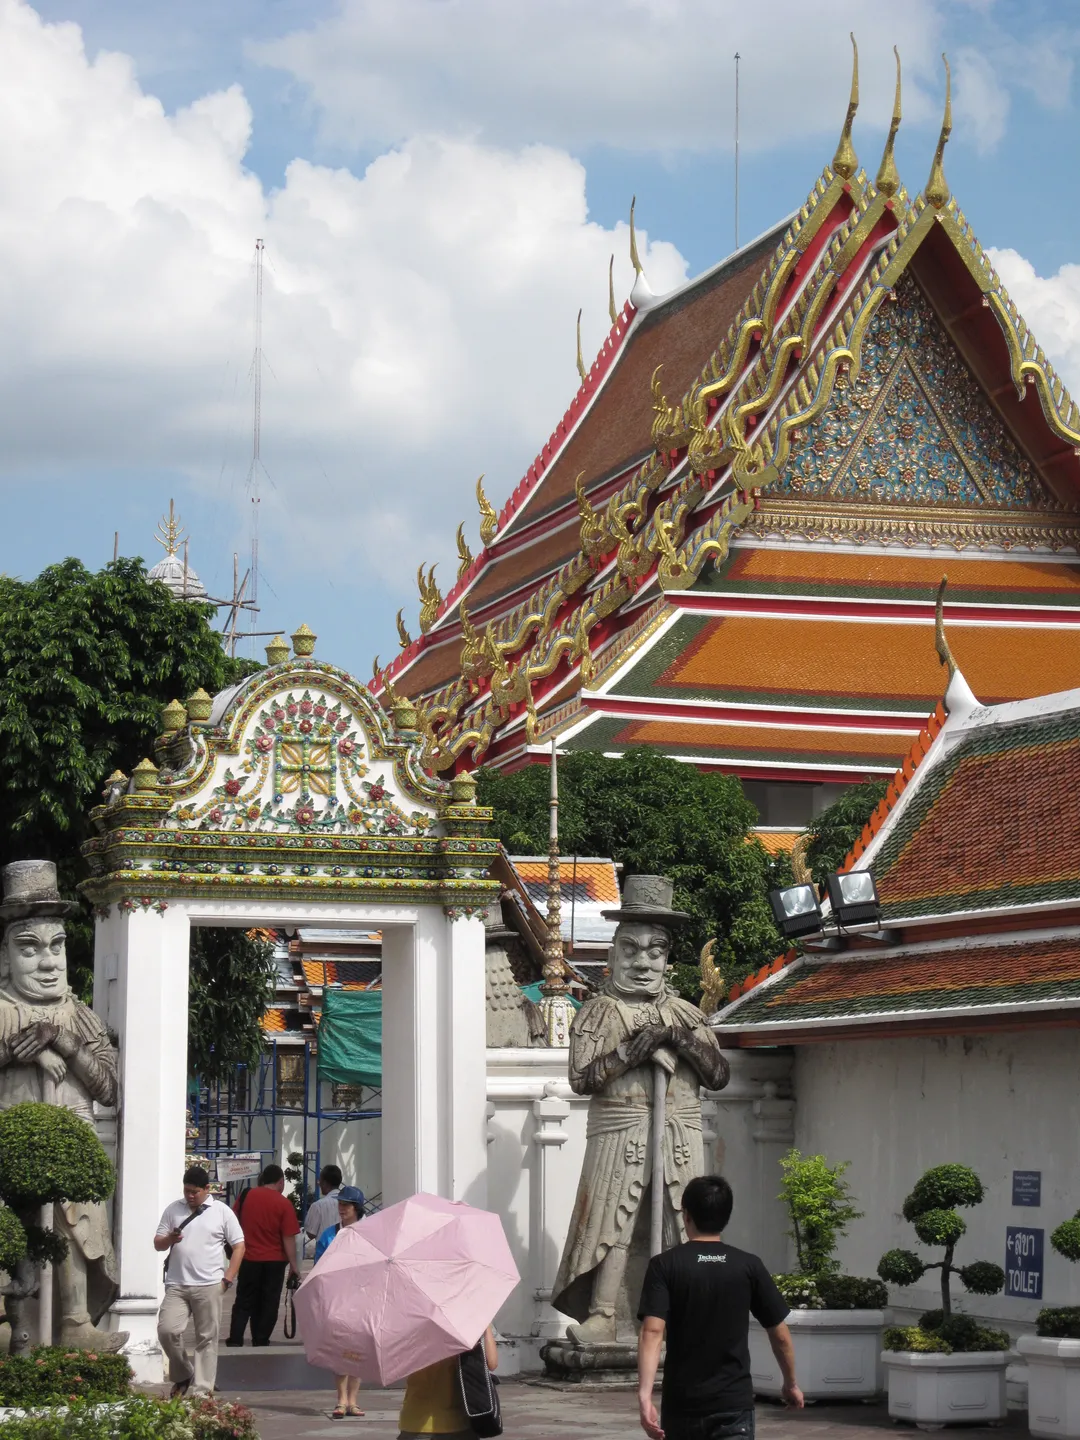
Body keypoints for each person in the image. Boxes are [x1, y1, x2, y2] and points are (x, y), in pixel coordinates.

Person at [637, 1174, 803, 1440]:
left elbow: (652, 1332)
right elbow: (779, 1333)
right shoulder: (748, 1265)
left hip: (682, 1405)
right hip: (733, 1405)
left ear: (686, 1215)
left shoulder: (664, 1265)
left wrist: (645, 1396)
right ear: (726, 1216)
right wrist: (790, 1383)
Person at [155, 1165, 245, 1397]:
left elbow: (239, 1246)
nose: (190, 1196)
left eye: (194, 1191)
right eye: (186, 1191)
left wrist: (228, 1278)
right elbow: (158, 1244)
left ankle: (202, 1390)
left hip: (210, 1284)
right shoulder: (173, 1209)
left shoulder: (222, 1211)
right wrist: (169, 1239)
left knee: (206, 1339)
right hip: (177, 1284)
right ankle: (184, 1373)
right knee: (167, 1330)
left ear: (207, 1189)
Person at [226, 1163, 301, 1347]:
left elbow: (232, 1223)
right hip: (275, 1261)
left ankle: (236, 1338)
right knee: (269, 1302)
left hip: (248, 1258)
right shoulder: (284, 1204)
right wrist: (294, 1265)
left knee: (244, 1299)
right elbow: (288, 1238)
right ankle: (260, 1338)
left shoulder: (245, 1196)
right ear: (281, 1182)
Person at [312, 1186, 366, 1419]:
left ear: (357, 1208)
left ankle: (353, 1401)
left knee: (358, 1351)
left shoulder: (368, 1233)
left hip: (362, 1299)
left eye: (346, 1205)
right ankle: (341, 1399)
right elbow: (319, 1268)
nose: (341, 1209)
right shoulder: (329, 1235)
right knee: (340, 1350)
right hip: (336, 1299)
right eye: (340, 1204)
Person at [398, 1325, 498, 1440]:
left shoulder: (412, 1328)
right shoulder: (462, 1328)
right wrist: (486, 1325)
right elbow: (492, 1363)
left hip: (414, 1421)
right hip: (456, 1421)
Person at [304, 1164, 343, 1244]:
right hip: (345, 1247)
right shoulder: (350, 1205)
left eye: (320, 1180)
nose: (318, 1183)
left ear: (324, 1183)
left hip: (325, 1249)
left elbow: (311, 1233)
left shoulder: (318, 1206)